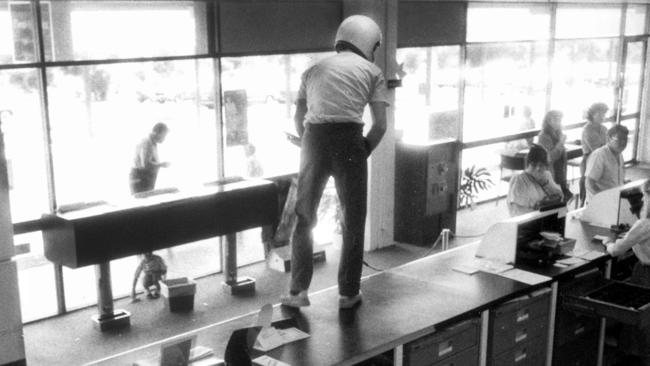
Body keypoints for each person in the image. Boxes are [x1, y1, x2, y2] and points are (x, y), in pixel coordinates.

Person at [280, 15, 388, 309]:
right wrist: (360, 152)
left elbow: (298, 118)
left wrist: (309, 144)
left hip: (313, 139)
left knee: (305, 217)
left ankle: (297, 292)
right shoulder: (373, 72)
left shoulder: (313, 69)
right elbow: (380, 126)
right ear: (367, 41)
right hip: (350, 139)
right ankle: (348, 294)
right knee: (352, 219)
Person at [604, 179, 650, 365]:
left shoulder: (644, 224)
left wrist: (608, 242)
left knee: (642, 321)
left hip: (647, 274)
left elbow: (616, 251)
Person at [507, 144, 564, 217]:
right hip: (529, 222)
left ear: (546, 166)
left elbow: (560, 196)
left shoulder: (546, 175)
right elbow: (516, 211)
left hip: (546, 218)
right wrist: (538, 212)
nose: (538, 168)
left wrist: (546, 184)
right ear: (528, 164)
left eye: (541, 165)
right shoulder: (519, 180)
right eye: (534, 164)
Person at [584, 124, 628, 203]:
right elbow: (589, 183)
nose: (623, 143)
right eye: (619, 139)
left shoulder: (619, 154)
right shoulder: (599, 155)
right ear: (608, 139)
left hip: (614, 201)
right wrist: (604, 199)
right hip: (599, 204)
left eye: (625, 139)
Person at [537, 110, 572, 201]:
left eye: (559, 120)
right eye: (555, 120)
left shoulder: (558, 134)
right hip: (550, 173)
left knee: (562, 199)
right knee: (553, 200)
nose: (558, 123)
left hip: (560, 172)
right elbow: (550, 158)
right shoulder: (543, 136)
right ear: (548, 121)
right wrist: (561, 143)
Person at [580, 102, 609, 205]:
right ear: (592, 114)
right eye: (599, 114)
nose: (602, 117)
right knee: (587, 192)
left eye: (603, 114)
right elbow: (596, 149)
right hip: (589, 161)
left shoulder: (604, 129)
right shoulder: (587, 129)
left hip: (603, 160)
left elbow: (608, 146)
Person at [130, 122, 171, 194]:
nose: (164, 139)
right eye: (164, 135)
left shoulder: (152, 142)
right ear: (157, 133)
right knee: (144, 203)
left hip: (145, 179)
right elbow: (145, 164)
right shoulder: (147, 143)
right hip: (140, 180)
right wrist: (161, 164)